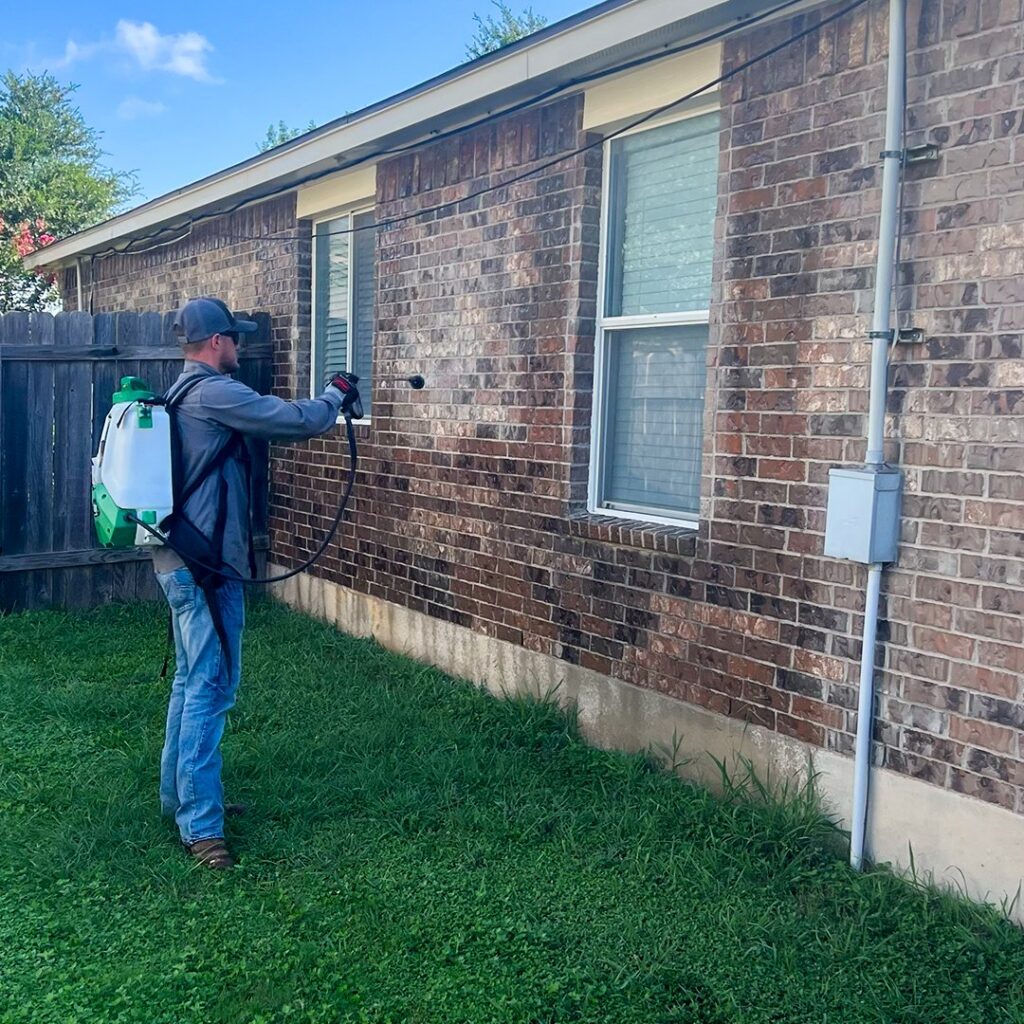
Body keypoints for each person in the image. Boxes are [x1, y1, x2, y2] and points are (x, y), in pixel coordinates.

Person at [154, 296, 350, 870]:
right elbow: (295, 420)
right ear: (216, 342)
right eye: (234, 337)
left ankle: (183, 801)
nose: (240, 346)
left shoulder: (179, 392)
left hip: (180, 561)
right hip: (206, 569)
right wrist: (335, 394)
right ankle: (202, 830)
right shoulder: (215, 392)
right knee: (211, 691)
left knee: (191, 683)